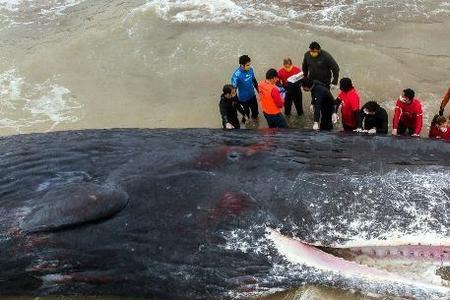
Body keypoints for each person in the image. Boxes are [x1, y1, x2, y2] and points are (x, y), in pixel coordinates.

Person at [231, 55, 259, 122]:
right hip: (243, 99)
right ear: (242, 65)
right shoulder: (236, 75)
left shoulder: (250, 70)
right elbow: (233, 90)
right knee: (246, 116)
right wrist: (235, 101)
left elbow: (254, 81)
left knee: (255, 113)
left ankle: (255, 123)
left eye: (249, 64)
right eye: (247, 65)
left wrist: (259, 91)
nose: (249, 66)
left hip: (252, 96)